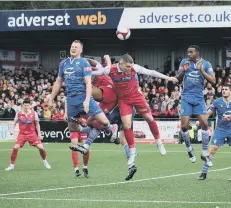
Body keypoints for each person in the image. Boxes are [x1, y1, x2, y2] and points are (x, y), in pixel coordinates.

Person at [87, 54, 178, 180]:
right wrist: (83, 71)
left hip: (136, 96)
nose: (130, 68)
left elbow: (151, 72)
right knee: (126, 125)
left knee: (149, 118)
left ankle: (159, 142)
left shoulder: (134, 68)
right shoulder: (111, 69)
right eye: (127, 66)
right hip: (123, 100)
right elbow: (98, 72)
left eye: (131, 66)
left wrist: (168, 78)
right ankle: (132, 152)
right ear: (121, 63)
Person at [48, 40, 115, 177]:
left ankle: (110, 129)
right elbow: (58, 82)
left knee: (103, 121)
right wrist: (51, 98)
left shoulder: (84, 63)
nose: (73, 48)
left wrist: (87, 99)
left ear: (81, 50)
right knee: (73, 128)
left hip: (83, 96)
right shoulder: (64, 63)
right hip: (71, 99)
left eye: (76, 47)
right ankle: (90, 130)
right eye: (72, 46)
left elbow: (88, 83)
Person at [176, 45, 215, 163]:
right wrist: (183, 71)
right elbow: (178, 79)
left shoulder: (206, 64)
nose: (188, 54)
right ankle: (189, 148)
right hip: (186, 97)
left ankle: (204, 152)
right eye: (188, 52)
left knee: (204, 123)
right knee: (184, 126)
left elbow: (213, 81)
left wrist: (202, 70)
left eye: (191, 52)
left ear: (197, 52)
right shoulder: (184, 62)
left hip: (198, 98)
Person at [5, 99, 51, 171]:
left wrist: (39, 134)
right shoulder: (19, 113)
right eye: (25, 105)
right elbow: (14, 123)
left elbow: (37, 124)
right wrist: (12, 130)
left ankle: (44, 161)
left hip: (32, 134)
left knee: (41, 148)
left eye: (28, 105)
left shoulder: (34, 113)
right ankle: (11, 165)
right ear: (23, 105)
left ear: (30, 105)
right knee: (15, 148)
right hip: (22, 134)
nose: (26, 107)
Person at [198, 84, 231, 180]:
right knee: (212, 150)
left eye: (226, 89)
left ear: (230, 91)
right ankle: (204, 173)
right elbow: (207, 114)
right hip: (220, 130)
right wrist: (201, 120)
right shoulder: (217, 102)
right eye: (223, 89)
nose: (223, 91)